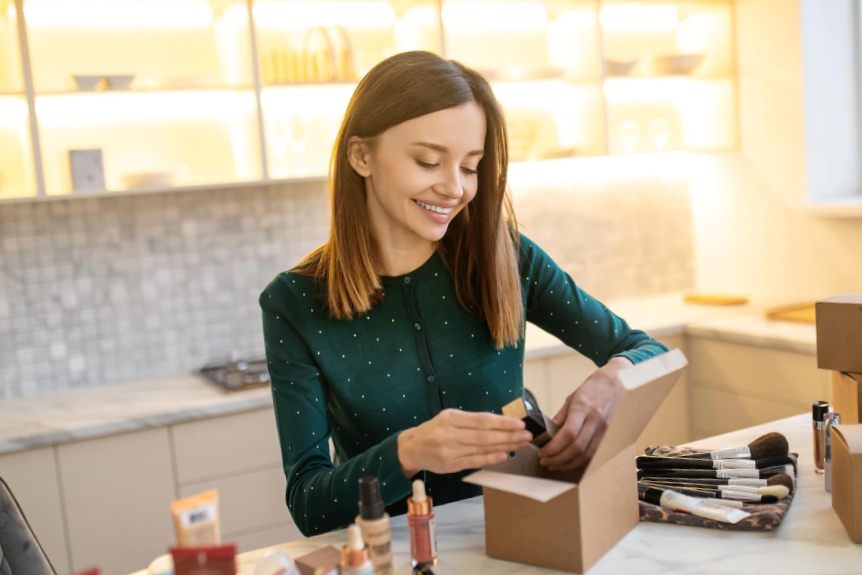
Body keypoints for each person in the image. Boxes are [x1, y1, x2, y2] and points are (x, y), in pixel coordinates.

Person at [260, 51, 668, 537]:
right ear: (361, 156)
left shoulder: (507, 257)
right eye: (428, 161)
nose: (454, 188)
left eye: (471, 167)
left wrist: (613, 383)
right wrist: (408, 452)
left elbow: (648, 350)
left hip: (524, 539)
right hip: (395, 554)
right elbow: (309, 504)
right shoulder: (294, 303)